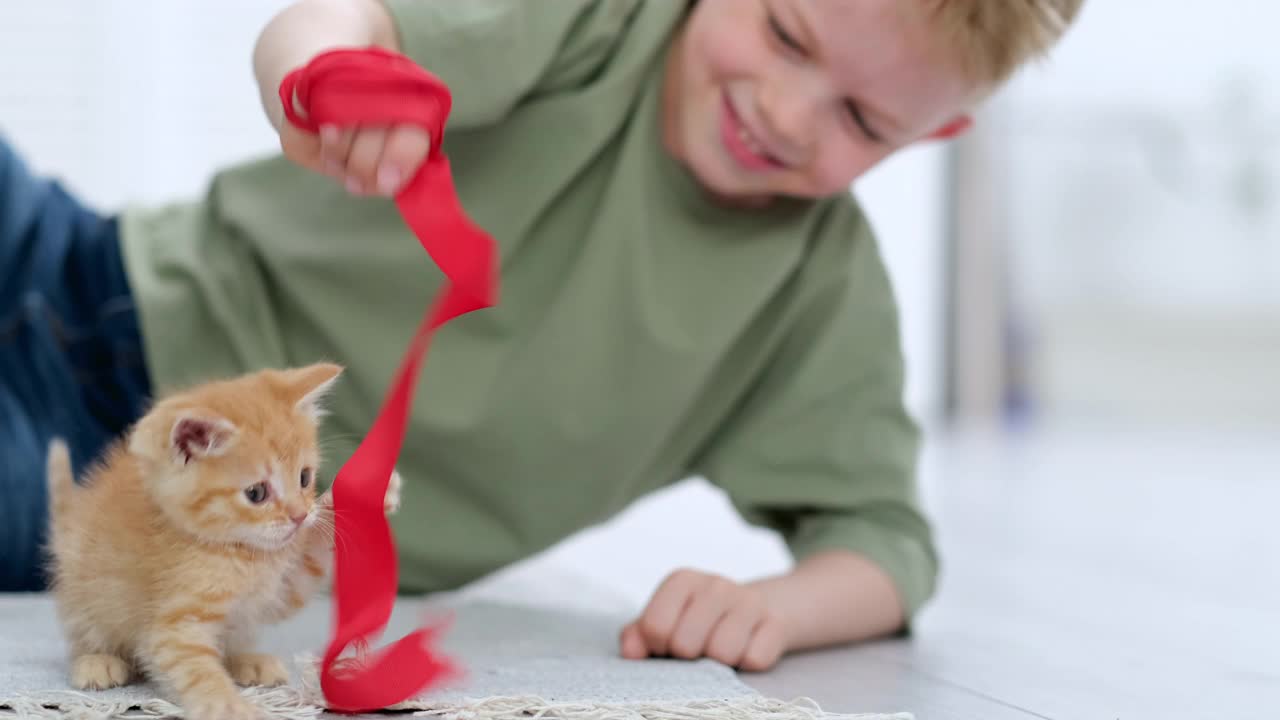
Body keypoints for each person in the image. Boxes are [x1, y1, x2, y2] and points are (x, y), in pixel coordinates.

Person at [0, 0, 1083, 670]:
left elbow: (886, 545)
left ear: (935, 133)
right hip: (93, 272)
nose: (789, 113)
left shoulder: (816, 296)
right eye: (785, 30)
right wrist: (316, 68)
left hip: (148, 520)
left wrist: (770, 608)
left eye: (862, 120)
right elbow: (343, 20)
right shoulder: (603, 16)